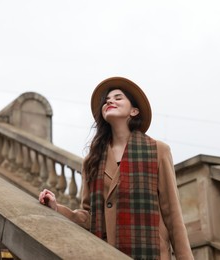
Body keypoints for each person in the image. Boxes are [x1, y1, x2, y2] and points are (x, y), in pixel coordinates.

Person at [39, 77, 194, 259]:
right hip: (106, 254)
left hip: (151, 254)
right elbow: (90, 216)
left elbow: (173, 216)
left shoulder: (158, 151)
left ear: (134, 111)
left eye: (118, 98)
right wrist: (57, 207)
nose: (110, 101)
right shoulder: (93, 160)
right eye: (107, 100)